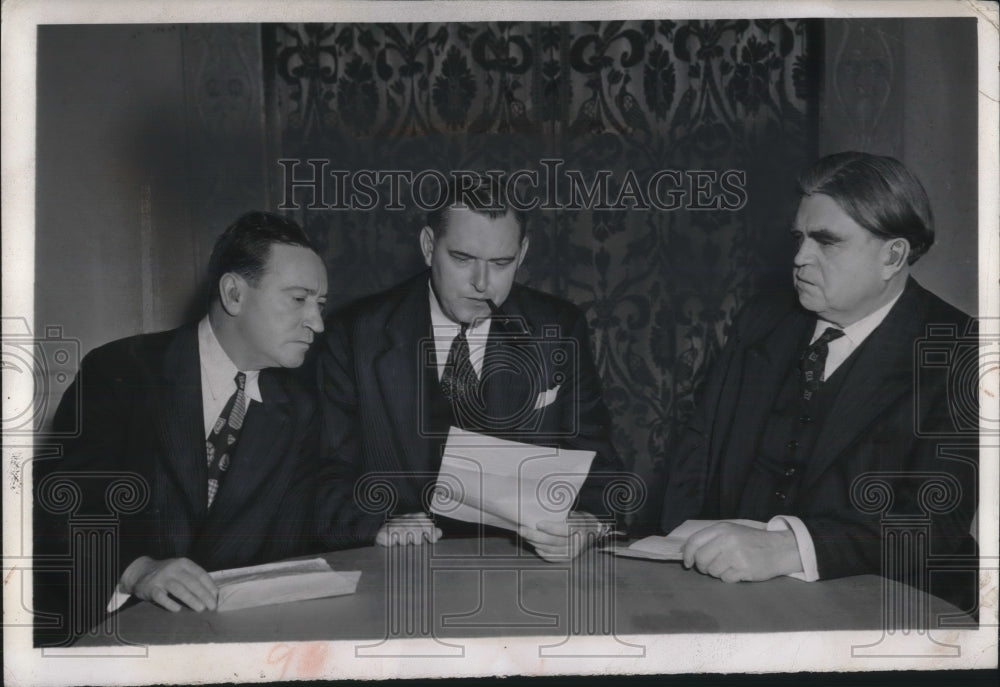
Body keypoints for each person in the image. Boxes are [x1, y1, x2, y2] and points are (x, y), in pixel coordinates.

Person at [659, 152, 977, 609]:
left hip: (891, 604)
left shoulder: (961, 352)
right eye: (799, 238)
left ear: (893, 256)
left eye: (826, 242)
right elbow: (697, 453)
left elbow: (935, 521)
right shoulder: (762, 320)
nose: (800, 258)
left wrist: (787, 548)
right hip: (731, 593)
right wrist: (685, 550)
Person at [34, 211, 328, 645]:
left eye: (320, 305)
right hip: (94, 632)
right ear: (233, 294)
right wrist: (137, 569)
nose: (317, 323)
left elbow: (301, 528)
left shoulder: (298, 408)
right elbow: (59, 500)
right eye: (299, 299)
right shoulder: (120, 370)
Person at [316, 174, 623, 560]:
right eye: (462, 259)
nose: (482, 283)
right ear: (429, 247)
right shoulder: (354, 335)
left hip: (525, 577)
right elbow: (323, 478)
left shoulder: (558, 329)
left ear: (522, 254)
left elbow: (603, 470)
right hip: (401, 577)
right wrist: (377, 523)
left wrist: (587, 524)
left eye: (501, 263)